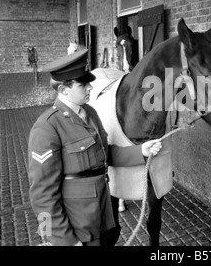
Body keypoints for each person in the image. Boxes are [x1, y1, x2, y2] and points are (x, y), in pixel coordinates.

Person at [28, 49, 161, 246]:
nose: (90, 87)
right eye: (83, 84)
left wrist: (141, 151)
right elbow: (42, 196)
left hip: (103, 215)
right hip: (78, 226)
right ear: (64, 90)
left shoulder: (90, 112)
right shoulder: (47, 127)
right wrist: (64, 240)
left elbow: (104, 154)